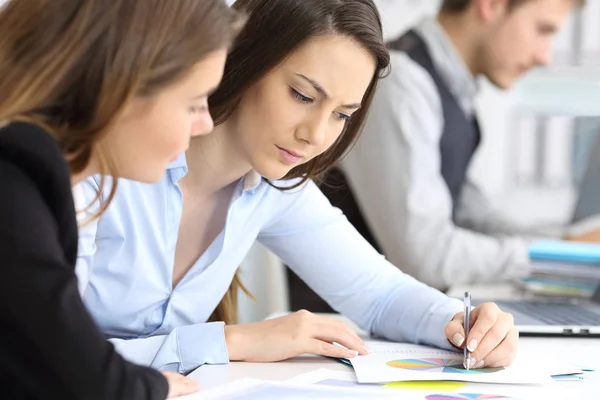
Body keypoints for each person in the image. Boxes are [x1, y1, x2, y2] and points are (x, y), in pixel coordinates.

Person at [77, 0, 518, 377]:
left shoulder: (273, 188)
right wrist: (229, 342)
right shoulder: (99, 165)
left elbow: (381, 295)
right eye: (303, 96)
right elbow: (43, 355)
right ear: (242, 60)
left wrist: (464, 323)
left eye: (342, 115)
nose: (316, 135)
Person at [0, 0, 243, 398]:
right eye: (194, 102)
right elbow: (85, 376)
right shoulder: (13, 186)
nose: (206, 123)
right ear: (120, 87)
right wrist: (143, 387)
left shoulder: (33, 179)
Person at [318, 0, 585, 292]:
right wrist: (550, 257)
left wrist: (570, 245)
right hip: (343, 321)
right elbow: (425, 257)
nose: (545, 57)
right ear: (491, 5)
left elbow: (474, 218)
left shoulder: (451, 89)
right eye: (542, 30)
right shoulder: (401, 84)